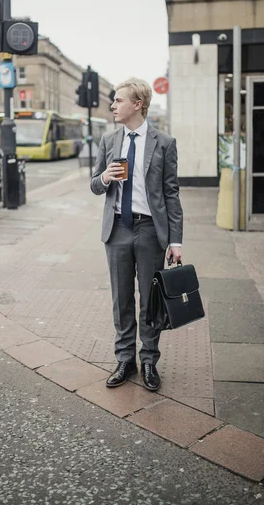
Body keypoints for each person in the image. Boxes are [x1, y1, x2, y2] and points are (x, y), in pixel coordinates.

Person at [91, 78, 183, 392]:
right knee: (121, 299)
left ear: (137, 104)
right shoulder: (108, 140)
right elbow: (94, 184)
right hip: (117, 227)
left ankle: (148, 361)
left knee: (150, 300)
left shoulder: (164, 143)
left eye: (118, 100)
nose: (113, 106)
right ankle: (125, 359)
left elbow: (171, 194)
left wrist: (176, 240)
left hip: (149, 231)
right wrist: (104, 176)